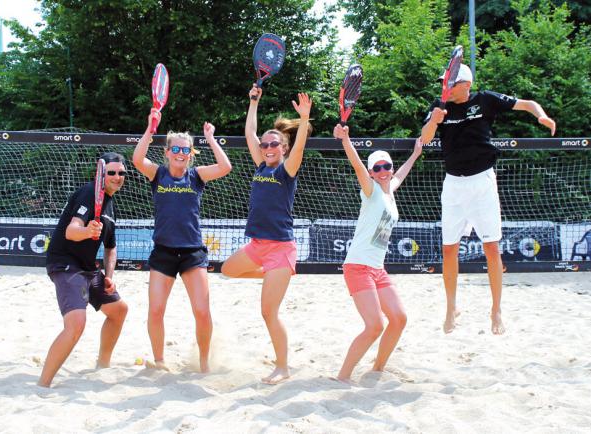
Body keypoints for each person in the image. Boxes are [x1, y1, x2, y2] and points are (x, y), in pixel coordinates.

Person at [420, 63, 556, 335]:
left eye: (449, 83)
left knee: (491, 248)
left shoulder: (486, 100)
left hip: (483, 182)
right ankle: (451, 307)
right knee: (449, 249)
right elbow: (424, 140)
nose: (444, 87)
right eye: (443, 83)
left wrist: (542, 116)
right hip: (454, 184)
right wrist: (434, 120)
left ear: (465, 85)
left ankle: (496, 310)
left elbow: (527, 104)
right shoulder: (439, 105)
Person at [221, 84, 312, 385]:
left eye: (274, 145)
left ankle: (283, 366)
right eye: (265, 145)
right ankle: (273, 276)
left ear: (283, 149)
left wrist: (305, 119)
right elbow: (249, 134)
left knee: (268, 313)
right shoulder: (261, 167)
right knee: (227, 270)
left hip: (280, 248)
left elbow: (299, 149)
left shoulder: (286, 171)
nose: (268, 148)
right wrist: (253, 102)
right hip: (257, 248)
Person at [132, 109, 232, 372]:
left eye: (185, 150)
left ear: (190, 154)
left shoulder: (196, 175)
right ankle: (160, 361)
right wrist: (151, 129)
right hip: (163, 252)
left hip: (192, 253)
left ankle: (203, 363)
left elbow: (226, 167)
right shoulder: (158, 174)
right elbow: (137, 158)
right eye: (175, 149)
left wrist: (211, 139)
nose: (180, 153)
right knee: (155, 311)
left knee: (201, 312)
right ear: (166, 152)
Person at [334, 124, 423, 383]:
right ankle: (342, 377)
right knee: (374, 326)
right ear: (372, 173)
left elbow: (401, 175)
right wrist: (346, 140)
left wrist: (415, 154)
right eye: (377, 168)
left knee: (399, 318)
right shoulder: (371, 191)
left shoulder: (390, 191)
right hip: (358, 267)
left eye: (386, 166)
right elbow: (357, 166)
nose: (383, 171)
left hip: (377, 269)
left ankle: (377, 369)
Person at [39, 152, 129, 387]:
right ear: (101, 173)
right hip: (66, 263)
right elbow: (71, 231)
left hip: (88, 269)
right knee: (76, 324)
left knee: (119, 310)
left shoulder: (110, 203)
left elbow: (111, 247)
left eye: (121, 173)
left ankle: (103, 365)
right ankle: (43, 384)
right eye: (111, 172)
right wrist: (87, 231)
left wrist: (109, 277)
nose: (117, 176)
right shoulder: (90, 193)